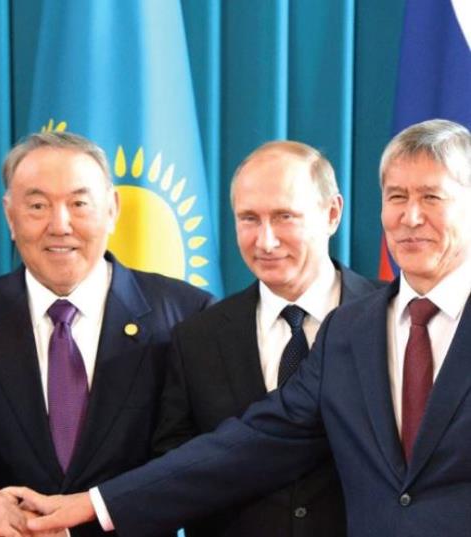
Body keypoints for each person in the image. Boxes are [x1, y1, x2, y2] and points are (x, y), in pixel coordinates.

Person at [15, 118, 471, 537]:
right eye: (397, 197)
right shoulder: (351, 330)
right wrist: (92, 504)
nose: (411, 217)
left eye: (431, 197)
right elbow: (253, 441)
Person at [0, 132, 214, 536]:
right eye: (38, 205)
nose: (60, 225)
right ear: (10, 216)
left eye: (79, 204)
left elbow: (191, 465)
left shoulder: (186, 315)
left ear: (112, 209)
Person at [153, 141, 380, 536]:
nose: (266, 241)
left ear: (332, 214)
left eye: (284, 216)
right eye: (249, 219)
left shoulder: (392, 319)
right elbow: (177, 466)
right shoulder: (198, 337)